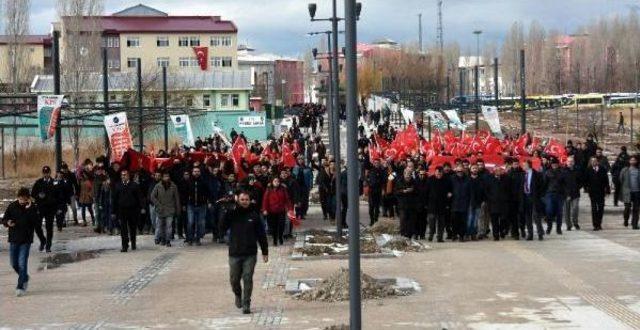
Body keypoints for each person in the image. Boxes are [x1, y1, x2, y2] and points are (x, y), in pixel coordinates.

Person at [221, 191, 269, 314]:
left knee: (247, 277)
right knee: (234, 279)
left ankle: (246, 303)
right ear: (238, 200)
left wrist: (265, 251)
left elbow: (261, 235)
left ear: (249, 201)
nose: (244, 202)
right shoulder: (232, 213)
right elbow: (221, 227)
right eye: (242, 199)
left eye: (246, 199)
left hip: (250, 253)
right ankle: (238, 294)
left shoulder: (254, 216)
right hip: (235, 252)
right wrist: (227, 210)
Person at [2, 187, 40, 296]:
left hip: (26, 239)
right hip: (14, 238)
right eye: (20, 198)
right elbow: (4, 219)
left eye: (24, 199)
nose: (22, 201)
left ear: (28, 198)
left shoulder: (32, 207)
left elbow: (36, 222)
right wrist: (7, 222)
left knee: (22, 263)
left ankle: (20, 286)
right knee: (14, 263)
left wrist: (30, 209)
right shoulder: (12, 206)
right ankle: (25, 277)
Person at [112, 170, 143, 252]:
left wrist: (142, 207)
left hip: (133, 210)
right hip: (122, 210)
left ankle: (133, 242)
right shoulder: (118, 186)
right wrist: (113, 211)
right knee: (123, 229)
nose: (123, 176)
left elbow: (139, 198)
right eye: (122, 175)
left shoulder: (134, 185)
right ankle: (124, 245)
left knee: (132, 227)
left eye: (125, 175)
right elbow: (114, 199)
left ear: (128, 176)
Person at [150, 172, 181, 247]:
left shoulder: (173, 186)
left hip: (170, 209)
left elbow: (176, 198)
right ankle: (160, 238)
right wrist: (158, 205)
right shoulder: (158, 186)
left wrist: (178, 209)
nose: (166, 178)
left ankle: (168, 240)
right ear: (162, 177)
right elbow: (152, 196)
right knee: (159, 226)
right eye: (165, 176)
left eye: (168, 176)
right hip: (160, 209)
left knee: (169, 226)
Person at [31, 166, 55, 252]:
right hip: (40, 208)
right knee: (37, 226)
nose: (46, 174)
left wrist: (57, 206)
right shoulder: (38, 182)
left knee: (49, 228)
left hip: (50, 209)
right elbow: (33, 194)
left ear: (50, 173)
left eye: (47, 172)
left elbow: (58, 195)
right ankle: (43, 240)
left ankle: (48, 246)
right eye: (44, 173)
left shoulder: (54, 182)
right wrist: (38, 196)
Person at [520, 160, 544, 241]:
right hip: (525, 197)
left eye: (524, 165)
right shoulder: (522, 174)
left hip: (534, 197)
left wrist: (538, 195)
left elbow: (541, 186)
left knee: (536, 216)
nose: (523, 166)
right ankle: (530, 234)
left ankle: (540, 233)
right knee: (528, 216)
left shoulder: (537, 174)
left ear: (529, 165)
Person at [261, 177, 290, 246]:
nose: (276, 182)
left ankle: (280, 237)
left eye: (278, 181)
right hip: (271, 211)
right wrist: (264, 209)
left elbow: (287, 199)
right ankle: (274, 239)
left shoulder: (283, 189)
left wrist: (289, 208)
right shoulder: (268, 190)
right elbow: (265, 200)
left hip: (281, 210)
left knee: (281, 225)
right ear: (272, 182)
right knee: (273, 226)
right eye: (275, 181)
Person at [584, 157, 610, 231]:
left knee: (601, 208)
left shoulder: (602, 169)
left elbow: (606, 180)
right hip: (592, 192)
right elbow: (586, 180)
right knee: (594, 208)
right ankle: (595, 225)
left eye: (595, 161)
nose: (594, 162)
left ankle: (599, 223)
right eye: (592, 161)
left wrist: (607, 190)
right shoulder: (588, 170)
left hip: (601, 191)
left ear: (597, 162)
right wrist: (586, 188)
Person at [186, 167, 210, 246]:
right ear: (192, 172)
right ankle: (190, 238)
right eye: (195, 171)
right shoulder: (189, 181)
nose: (196, 172)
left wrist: (207, 201)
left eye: (198, 171)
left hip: (201, 205)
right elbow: (184, 193)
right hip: (191, 205)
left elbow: (208, 192)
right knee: (190, 222)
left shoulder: (203, 181)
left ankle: (198, 239)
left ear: (200, 172)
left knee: (200, 223)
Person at [427, 167, 451, 242]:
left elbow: (449, 191)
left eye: (440, 173)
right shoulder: (430, 179)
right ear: (435, 172)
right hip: (432, 204)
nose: (439, 175)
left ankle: (439, 237)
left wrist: (449, 196)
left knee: (441, 222)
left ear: (442, 173)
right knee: (431, 221)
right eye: (437, 173)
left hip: (442, 204)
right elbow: (426, 192)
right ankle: (431, 234)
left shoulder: (446, 180)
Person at [485, 167, 510, 241]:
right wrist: (490, 198)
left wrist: (506, 198)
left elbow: (509, 190)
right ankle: (495, 235)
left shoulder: (505, 179)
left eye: (499, 170)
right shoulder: (489, 180)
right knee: (494, 220)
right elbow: (486, 191)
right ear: (493, 171)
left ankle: (502, 231)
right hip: (493, 203)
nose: (498, 172)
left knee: (503, 219)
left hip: (503, 203)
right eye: (496, 170)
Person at [543, 158, 565, 235]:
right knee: (549, 211)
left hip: (559, 194)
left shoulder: (562, 172)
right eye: (553, 164)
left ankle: (558, 228)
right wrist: (543, 194)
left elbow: (565, 184)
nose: (554, 165)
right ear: (551, 165)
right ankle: (549, 226)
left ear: (558, 164)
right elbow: (544, 184)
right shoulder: (547, 172)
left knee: (559, 212)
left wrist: (565, 194)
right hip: (550, 194)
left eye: (555, 164)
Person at [394, 168, 417, 238]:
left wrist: (412, 190)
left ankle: (409, 235)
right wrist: (403, 191)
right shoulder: (399, 181)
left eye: (409, 174)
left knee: (411, 221)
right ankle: (403, 234)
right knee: (403, 220)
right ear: (404, 174)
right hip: (402, 204)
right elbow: (395, 192)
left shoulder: (414, 182)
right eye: (406, 174)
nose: (408, 176)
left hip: (411, 205)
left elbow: (418, 192)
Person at [450, 165, 471, 242]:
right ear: (456, 171)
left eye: (461, 171)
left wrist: (470, 201)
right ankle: (454, 234)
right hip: (454, 203)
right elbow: (449, 189)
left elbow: (470, 192)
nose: (460, 173)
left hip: (464, 203)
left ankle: (461, 236)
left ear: (464, 171)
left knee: (463, 221)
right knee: (454, 221)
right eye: (458, 171)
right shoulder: (452, 179)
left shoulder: (468, 179)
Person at [619, 155, 640, 229]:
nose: (633, 161)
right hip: (628, 192)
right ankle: (626, 220)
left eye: (634, 160)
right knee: (627, 208)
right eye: (631, 160)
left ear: (637, 161)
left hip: (637, 192)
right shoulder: (625, 170)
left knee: (636, 209)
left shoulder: (638, 170)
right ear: (629, 161)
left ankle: (634, 224)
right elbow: (620, 180)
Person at [563, 156, 582, 231]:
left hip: (575, 193)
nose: (570, 163)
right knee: (566, 210)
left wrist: (577, 187)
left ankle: (575, 222)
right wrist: (565, 193)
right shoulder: (563, 171)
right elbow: (561, 183)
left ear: (573, 162)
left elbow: (581, 181)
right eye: (569, 161)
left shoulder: (577, 170)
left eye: (571, 161)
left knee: (575, 208)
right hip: (566, 194)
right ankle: (568, 224)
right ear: (566, 162)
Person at [365, 159, 385, 226]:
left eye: (378, 163)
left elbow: (384, 180)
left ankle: (375, 220)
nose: (376, 164)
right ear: (373, 163)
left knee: (376, 207)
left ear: (379, 163)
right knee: (371, 207)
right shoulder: (371, 171)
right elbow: (367, 179)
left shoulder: (382, 171)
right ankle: (372, 221)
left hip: (378, 191)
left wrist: (382, 189)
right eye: (375, 163)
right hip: (371, 191)